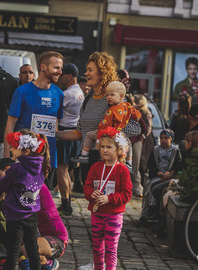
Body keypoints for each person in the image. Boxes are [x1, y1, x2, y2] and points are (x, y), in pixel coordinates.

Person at [56, 52, 140, 188]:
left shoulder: (112, 98)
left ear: (102, 72)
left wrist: (111, 132)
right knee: (93, 202)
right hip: (88, 161)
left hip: (107, 161)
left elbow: (136, 128)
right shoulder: (88, 99)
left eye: (90, 70)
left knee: (106, 205)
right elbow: (79, 133)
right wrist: (54, 134)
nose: (86, 74)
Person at [0, 129, 50, 270]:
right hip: (32, 215)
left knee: (13, 251)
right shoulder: (42, 166)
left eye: (14, 147)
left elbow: (1, 185)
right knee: (32, 250)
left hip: (15, 216)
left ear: (26, 151)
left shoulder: (16, 168)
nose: (11, 149)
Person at [3, 51, 64, 171]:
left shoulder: (59, 94)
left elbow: (55, 126)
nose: (60, 72)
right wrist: (6, 154)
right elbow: (10, 124)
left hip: (47, 157)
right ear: (43, 67)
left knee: (45, 190)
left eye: (61, 68)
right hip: (24, 154)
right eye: (56, 67)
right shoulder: (22, 91)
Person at [83, 127, 132, 270]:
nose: (105, 150)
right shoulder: (96, 167)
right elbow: (87, 186)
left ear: (119, 150)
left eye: (109, 147)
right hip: (97, 213)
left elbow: (127, 194)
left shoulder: (122, 169)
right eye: (102, 146)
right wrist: (91, 193)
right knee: (97, 247)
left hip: (114, 215)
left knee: (111, 249)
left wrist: (109, 199)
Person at [75, 81, 141, 163]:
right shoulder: (127, 106)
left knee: (90, 135)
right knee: (128, 144)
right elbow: (137, 114)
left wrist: (101, 131)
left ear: (121, 96)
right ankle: (129, 162)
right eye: (107, 95)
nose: (109, 97)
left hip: (107, 136)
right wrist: (137, 116)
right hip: (114, 137)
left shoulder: (112, 109)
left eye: (111, 95)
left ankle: (84, 155)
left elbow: (106, 123)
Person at [56, 63, 84, 215]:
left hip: (66, 133)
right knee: (67, 171)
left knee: (62, 170)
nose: (60, 78)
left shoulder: (67, 94)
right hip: (74, 134)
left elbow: (55, 111)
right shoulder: (79, 91)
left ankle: (66, 204)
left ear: (69, 76)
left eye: (62, 75)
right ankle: (67, 202)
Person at [140, 129, 182, 221]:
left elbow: (178, 166)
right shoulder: (156, 150)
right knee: (151, 185)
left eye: (166, 138)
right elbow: (151, 165)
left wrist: (171, 172)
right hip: (157, 175)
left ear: (171, 139)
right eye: (161, 138)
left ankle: (156, 209)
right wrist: (157, 172)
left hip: (170, 176)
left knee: (160, 187)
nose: (163, 140)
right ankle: (151, 206)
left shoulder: (175, 151)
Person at [37, 183, 68, 270]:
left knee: (25, 247)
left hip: (58, 240)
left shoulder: (36, 185)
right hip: (39, 236)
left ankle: (48, 263)